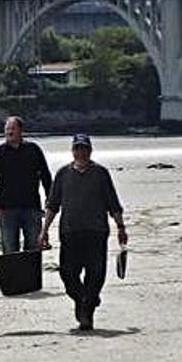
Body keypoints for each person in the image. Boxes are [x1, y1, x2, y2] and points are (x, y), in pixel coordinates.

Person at [38, 134, 128, 331]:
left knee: (96, 274)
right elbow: (53, 205)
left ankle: (87, 313)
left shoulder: (100, 173)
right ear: (73, 151)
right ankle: (83, 300)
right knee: (68, 275)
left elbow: (113, 203)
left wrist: (121, 227)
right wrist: (44, 230)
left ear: (90, 150)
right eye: (78, 148)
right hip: (70, 232)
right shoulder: (63, 174)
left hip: (96, 231)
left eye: (84, 148)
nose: (81, 152)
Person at [0, 116, 52, 254]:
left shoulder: (33, 150)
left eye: (12, 128)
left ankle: (31, 276)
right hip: (7, 209)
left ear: (21, 130)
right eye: (7, 129)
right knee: (9, 250)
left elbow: (45, 176)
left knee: (33, 249)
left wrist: (50, 200)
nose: (9, 132)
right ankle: (13, 276)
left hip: (31, 207)